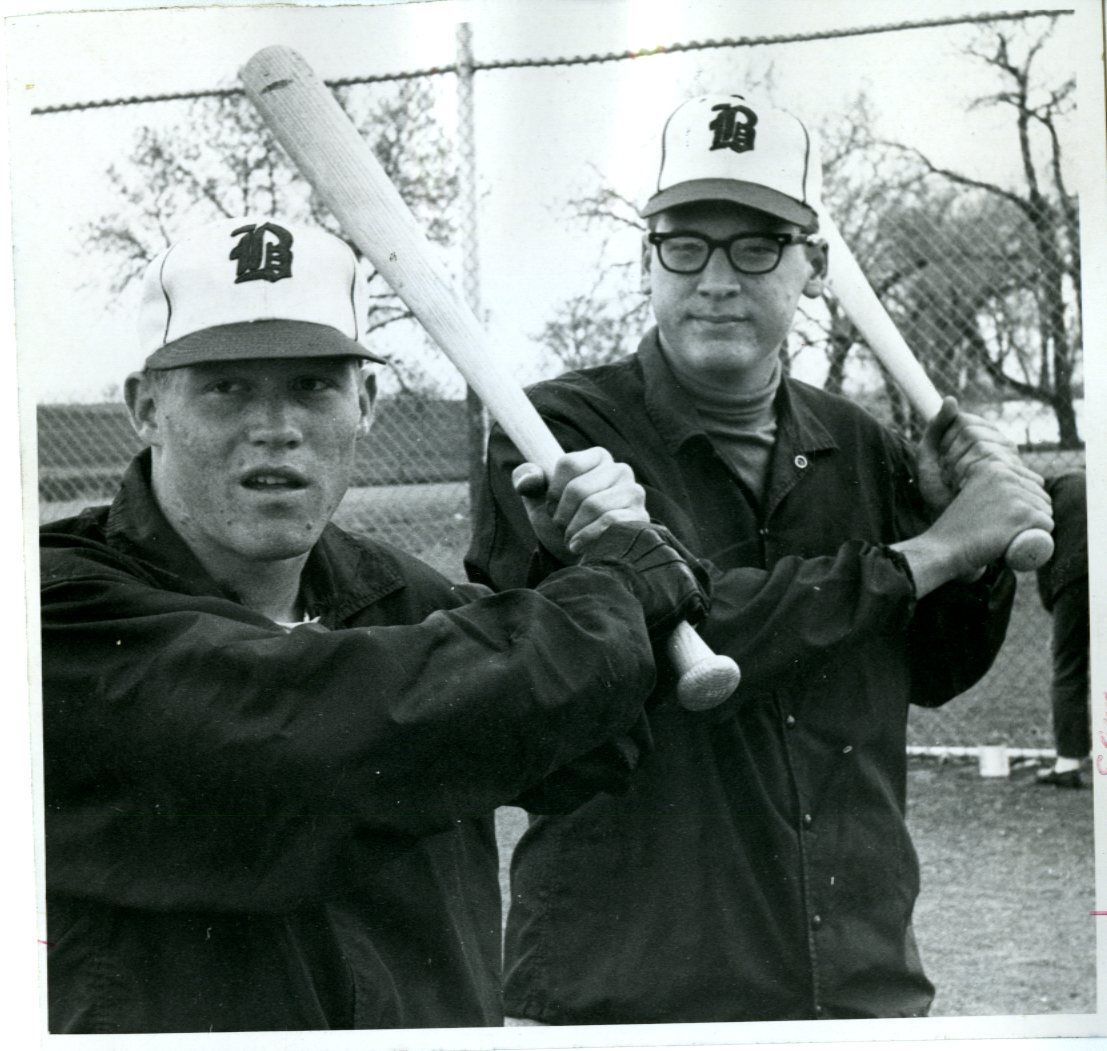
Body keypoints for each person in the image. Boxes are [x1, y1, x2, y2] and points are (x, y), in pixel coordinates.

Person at [39, 217, 710, 1033]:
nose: (275, 425)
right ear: (145, 407)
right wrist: (613, 594)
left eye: (312, 385)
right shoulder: (54, 608)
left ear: (364, 404)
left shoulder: (402, 596)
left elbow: (586, 749)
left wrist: (570, 568)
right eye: (226, 387)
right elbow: (309, 736)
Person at [467, 94, 1054, 1023]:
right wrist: (929, 552)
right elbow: (686, 626)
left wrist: (972, 551)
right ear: (647, 260)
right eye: (683, 245)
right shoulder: (556, 435)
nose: (714, 280)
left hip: (852, 969)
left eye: (756, 246)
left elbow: (935, 671)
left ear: (812, 267)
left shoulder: (858, 441)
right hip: (630, 978)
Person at [1034, 470, 1089, 787]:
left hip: (1075, 578)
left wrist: (1056, 614)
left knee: (1069, 668)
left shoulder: (1044, 497)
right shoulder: (1086, 481)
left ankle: (1068, 764)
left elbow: (1042, 556)